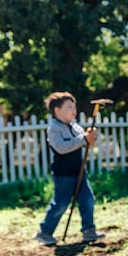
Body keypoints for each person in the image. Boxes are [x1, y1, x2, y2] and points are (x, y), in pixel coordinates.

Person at [35, 91, 105, 246]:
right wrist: (83, 139)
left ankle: (88, 230)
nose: (74, 110)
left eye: (74, 106)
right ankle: (44, 232)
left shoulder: (75, 127)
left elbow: (85, 142)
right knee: (60, 204)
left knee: (87, 200)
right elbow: (61, 147)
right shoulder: (54, 128)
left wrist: (90, 138)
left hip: (79, 171)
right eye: (69, 107)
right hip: (64, 174)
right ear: (57, 110)